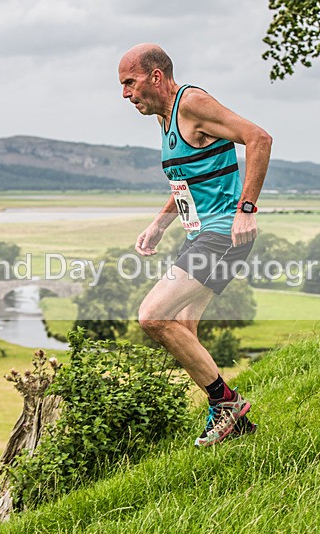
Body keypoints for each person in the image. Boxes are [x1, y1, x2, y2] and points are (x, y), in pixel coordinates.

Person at [118, 44, 272, 447]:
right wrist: (160, 223)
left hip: (223, 233)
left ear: (156, 76)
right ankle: (231, 421)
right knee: (182, 328)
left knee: (152, 316)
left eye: (129, 83)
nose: (125, 94)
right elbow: (185, 179)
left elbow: (258, 138)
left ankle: (227, 405)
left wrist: (247, 209)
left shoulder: (192, 103)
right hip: (199, 235)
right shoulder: (166, 117)